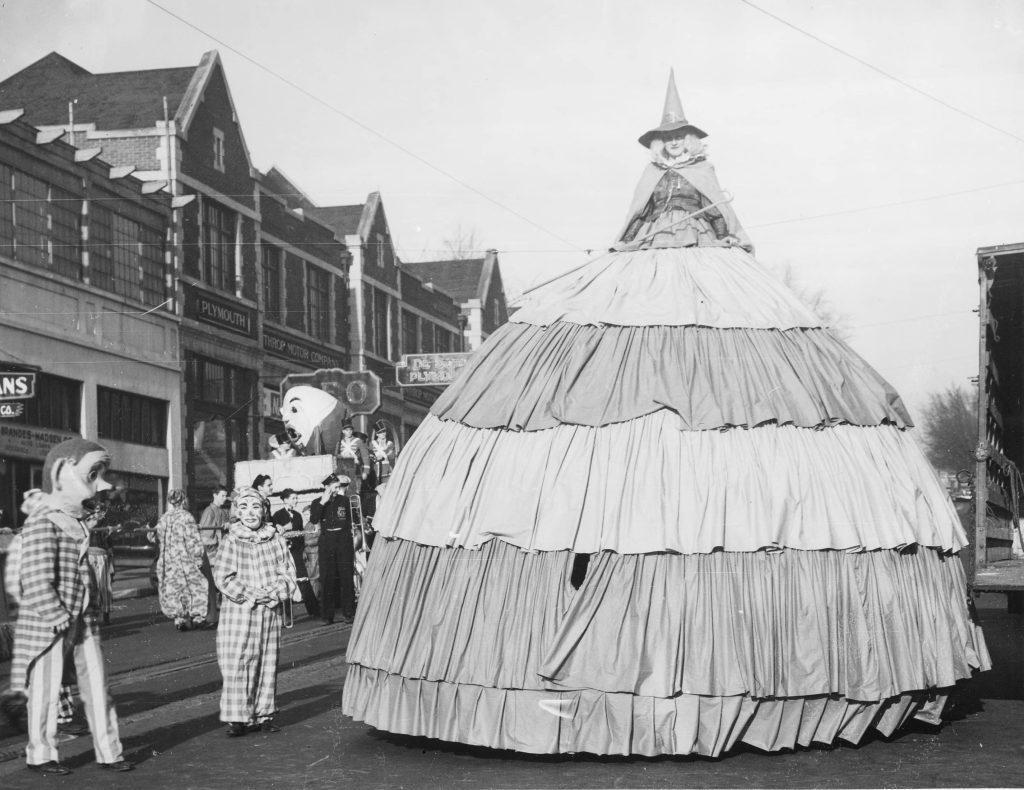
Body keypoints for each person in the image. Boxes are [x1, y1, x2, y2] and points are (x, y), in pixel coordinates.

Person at [341, 73, 989, 757]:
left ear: (692, 143)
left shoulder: (699, 178)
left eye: (678, 140)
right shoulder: (661, 182)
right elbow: (640, 225)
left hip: (716, 283)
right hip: (650, 271)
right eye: (665, 141)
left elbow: (725, 228)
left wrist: (720, 236)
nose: (673, 149)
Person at [11, 438, 133, 774]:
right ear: (63, 473)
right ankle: (42, 754)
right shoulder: (43, 522)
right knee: (46, 691)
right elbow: (35, 579)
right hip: (53, 623)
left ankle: (111, 752)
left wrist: (88, 612)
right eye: (93, 474)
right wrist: (58, 617)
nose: (103, 484)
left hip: (84, 620)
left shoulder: (77, 522)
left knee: (98, 688)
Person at [214, 487, 295, 736]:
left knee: (267, 660)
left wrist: (274, 593)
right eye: (244, 508)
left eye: (256, 507)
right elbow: (223, 577)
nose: (250, 513)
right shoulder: (231, 540)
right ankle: (238, 718)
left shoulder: (275, 538)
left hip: (269, 611)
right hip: (240, 611)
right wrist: (250, 594)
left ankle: (264, 714)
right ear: (237, 511)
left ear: (264, 510)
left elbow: (288, 572)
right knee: (238, 661)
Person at [153, 489, 210, 632]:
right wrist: (198, 557)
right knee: (197, 586)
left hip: (169, 561)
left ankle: (180, 618)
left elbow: (155, 537)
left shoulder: (164, 518)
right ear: (183, 500)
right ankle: (197, 618)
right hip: (185, 560)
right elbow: (193, 539)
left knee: (175, 589)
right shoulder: (187, 517)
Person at [308, 474, 356, 625]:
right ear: (326, 488)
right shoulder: (317, 502)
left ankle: (348, 613)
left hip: (343, 540)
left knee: (346, 576)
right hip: (327, 540)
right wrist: (323, 502)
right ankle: (327, 615)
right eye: (334, 488)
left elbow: (351, 519)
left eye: (338, 487)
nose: (337, 490)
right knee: (327, 578)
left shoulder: (344, 501)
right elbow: (314, 519)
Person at [271, 489, 320, 618]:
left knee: (303, 579)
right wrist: (284, 533)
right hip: (284, 552)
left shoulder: (298, 515)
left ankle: (314, 610)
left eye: (296, 498)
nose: (296, 501)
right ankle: (287, 614)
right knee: (286, 582)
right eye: (293, 498)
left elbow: (300, 535)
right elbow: (275, 534)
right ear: (285, 500)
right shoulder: (277, 515)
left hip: (297, 551)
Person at [198, 485, 230, 624]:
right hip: (211, 553)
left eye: (225, 496)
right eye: (222, 495)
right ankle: (209, 615)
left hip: (221, 551)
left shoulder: (223, 511)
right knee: (212, 583)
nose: (224, 498)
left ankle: (218, 609)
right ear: (215, 495)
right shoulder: (208, 512)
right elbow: (205, 536)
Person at [334, 420, 369, 495]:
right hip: (342, 470)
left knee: (354, 491)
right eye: (346, 430)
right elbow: (336, 458)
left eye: (350, 430)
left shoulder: (358, 441)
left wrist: (365, 472)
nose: (349, 432)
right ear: (343, 431)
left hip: (355, 469)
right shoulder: (339, 443)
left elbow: (365, 456)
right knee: (341, 491)